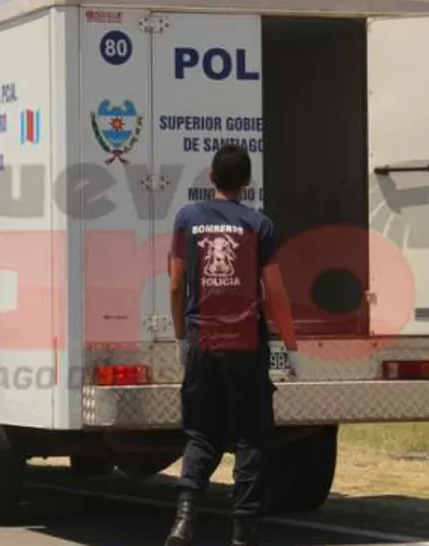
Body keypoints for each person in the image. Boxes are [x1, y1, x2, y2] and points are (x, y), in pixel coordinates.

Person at [164, 144, 300, 546]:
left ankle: (184, 519)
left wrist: (180, 337)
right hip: (245, 343)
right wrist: (291, 345)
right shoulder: (260, 225)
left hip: (201, 340)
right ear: (248, 182)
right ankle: (243, 530)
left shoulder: (187, 218)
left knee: (201, 433)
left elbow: (175, 283)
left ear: (211, 176)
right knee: (251, 436)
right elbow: (275, 292)